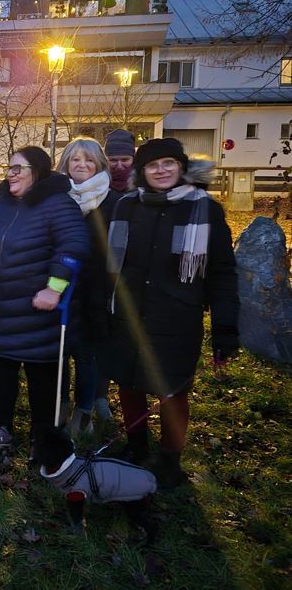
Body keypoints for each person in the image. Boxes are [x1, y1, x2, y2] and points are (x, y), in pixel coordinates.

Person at [103, 138, 239, 488]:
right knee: (129, 383)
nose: (161, 171)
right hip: (129, 312)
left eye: (168, 164)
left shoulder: (204, 210)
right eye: (152, 165)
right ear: (142, 171)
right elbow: (113, 266)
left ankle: (169, 460)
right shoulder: (127, 205)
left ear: (181, 167)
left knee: (171, 391)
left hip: (177, 316)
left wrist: (225, 327)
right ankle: (135, 447)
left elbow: (222, 271)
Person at [0, 146, 88, 457]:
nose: (11, 174)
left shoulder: (59, 204)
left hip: (40, 313)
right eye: (9, 168)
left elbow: (73, 247)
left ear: (37, 171)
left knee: (43, 381)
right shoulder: (4, 204)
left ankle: (44, 436)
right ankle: (1, 427)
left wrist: (54, 288)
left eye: (18, 168)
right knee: (1, 374)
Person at [56, 137, 121, 434]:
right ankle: (61, 405)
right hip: (60, 287)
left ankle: (84, 413)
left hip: (96, 292)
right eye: (75, 160)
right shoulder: (56, 199)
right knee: (59, 352)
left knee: (85, 355)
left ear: (99, 165)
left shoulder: (113, 202)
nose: (82, 165)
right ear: (66, 164)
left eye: (89, 160)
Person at [105, 129, 136, 193]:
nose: (119, 166)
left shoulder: (145, 185)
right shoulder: (95, 186)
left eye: (125, 160)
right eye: (113, 160)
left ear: (133, 159)